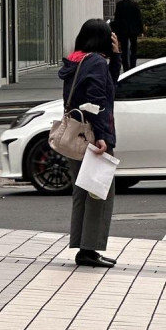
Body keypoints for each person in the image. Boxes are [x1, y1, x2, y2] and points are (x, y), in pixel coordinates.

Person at [59, 18, 122, 268]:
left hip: (76, 135)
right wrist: (103, 136)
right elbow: (98, 99)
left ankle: (84, 247)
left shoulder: (76, 60)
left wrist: (115, 58)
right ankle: (88, 250)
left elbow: (108, 87)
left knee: (82, 192)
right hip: (93, 136)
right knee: (99, 192)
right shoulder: (95, 61)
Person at [112, 0, 143, 71]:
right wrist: (141, 30)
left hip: (123, 31)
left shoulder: (119, 5)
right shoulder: (135, 4)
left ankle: (126, 67)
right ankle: (133, 67)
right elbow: (139, 18)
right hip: (133, 30)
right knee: (134, 49)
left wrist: (115, 30)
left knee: (124, 49)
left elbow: (116, 18)